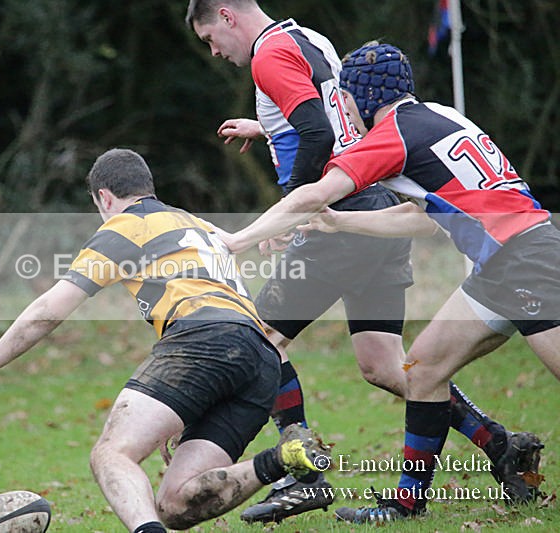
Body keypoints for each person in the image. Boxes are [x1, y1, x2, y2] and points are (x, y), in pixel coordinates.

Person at [186, 0, 539, 523]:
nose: (214, 50)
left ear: (227, 14)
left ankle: (301, 472)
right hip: (376, 212)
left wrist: (287, 213)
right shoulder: (308, 39)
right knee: (386, 365)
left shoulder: (267, 55)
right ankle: (500, 444)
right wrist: (265, 128)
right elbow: (339, 121)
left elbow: (318, 134)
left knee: (262, 342)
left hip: (340, 216)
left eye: (210, 36)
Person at [0, 148, 331, 533]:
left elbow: (52, 307)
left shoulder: (126, 225)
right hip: (260, 357)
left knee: (111, 454)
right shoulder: (195, 224)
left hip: (201, 339)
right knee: (175, 504)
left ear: (104, 197)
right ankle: (283, 458)